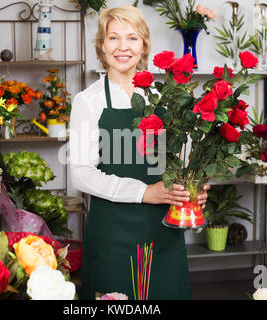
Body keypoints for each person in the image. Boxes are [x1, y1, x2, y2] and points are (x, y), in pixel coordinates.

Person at [69, 5, 210, 300]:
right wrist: (145, 192)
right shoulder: (88, 101)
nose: (123, 47)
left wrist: (191, 189)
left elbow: (177, 161)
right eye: (113, 38)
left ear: (144, 45)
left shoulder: (164, 98)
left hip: (164, 230)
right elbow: (81, 175)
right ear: (102, 45)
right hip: (112, 233)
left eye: (132, 38)